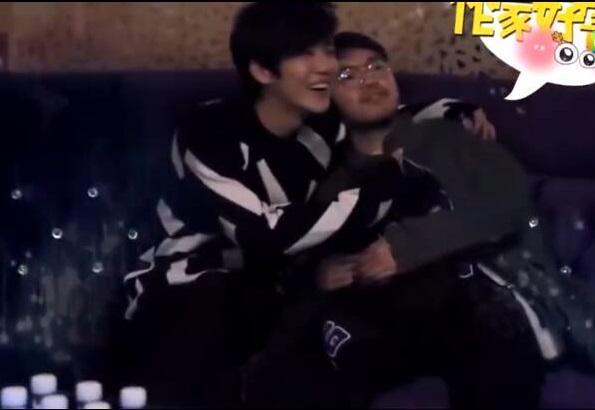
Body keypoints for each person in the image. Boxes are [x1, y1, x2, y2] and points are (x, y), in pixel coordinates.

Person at [115, 4, 492, 407]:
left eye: (327, 51)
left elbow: (389, 117)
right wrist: (382, 187)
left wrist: (456, 110)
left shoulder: (322, 127)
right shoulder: (210, 132)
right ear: (263, 71)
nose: (326, 66)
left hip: (277, 288)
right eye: (304, 54)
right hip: (185, 285)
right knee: (218, 312)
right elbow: (264, 235)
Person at [242, 32, 571, 409]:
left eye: (376, 67)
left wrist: (403, 249)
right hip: (389, 319)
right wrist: (322, 274)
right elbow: (294, 261)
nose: (369, 80)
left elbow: (507, 205)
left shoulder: (451, 139)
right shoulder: (330, 181)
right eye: (347, 76)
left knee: (484, 326)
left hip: (479, 298)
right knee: (292, 361)